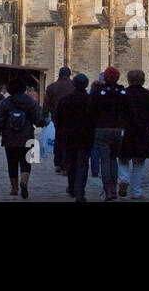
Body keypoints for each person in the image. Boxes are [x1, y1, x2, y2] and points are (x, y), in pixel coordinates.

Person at [0, 76, 47, 198]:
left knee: (12, 163)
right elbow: (37, 120)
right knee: (26, 162)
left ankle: (14, 188)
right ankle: (24, 181)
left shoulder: (5, 103)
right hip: (27, 136)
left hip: (10, 137)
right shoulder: (30, 102)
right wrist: (44, 123)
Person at [118, 69, 149, 199]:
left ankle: (124, 179)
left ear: (129, 80)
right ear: (143, 80)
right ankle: (136, 191)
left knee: (123, 158)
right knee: (139, 162)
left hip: (126, 131)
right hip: (143, 131)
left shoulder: (123, 94)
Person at [88, 67, 127, 200]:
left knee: (105, 159)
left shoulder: (98, 92)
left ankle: (108, 189)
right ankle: (114, 189)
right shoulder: (122, 92)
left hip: (102, 129)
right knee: (113, 159)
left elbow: (91, 111)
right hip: (117, 129)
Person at [54, 73, 94, 201]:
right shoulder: (90, 100)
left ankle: (72, 188)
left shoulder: (65, 100)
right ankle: (79, 191)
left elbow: (58, 119)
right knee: (82, 164)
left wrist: (60, 134)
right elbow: (94, 120)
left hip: (69, 137)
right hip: (85, 137)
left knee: (71, 163)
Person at [43, 66, 73, 175]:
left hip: (57, 118)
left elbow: (46, 104)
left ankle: (59, 163)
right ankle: (66, 164)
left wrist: (44, 118)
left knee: (59, 140)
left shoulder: (52, 87)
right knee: (69, 141)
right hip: (71, 119)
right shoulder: (73, 86)